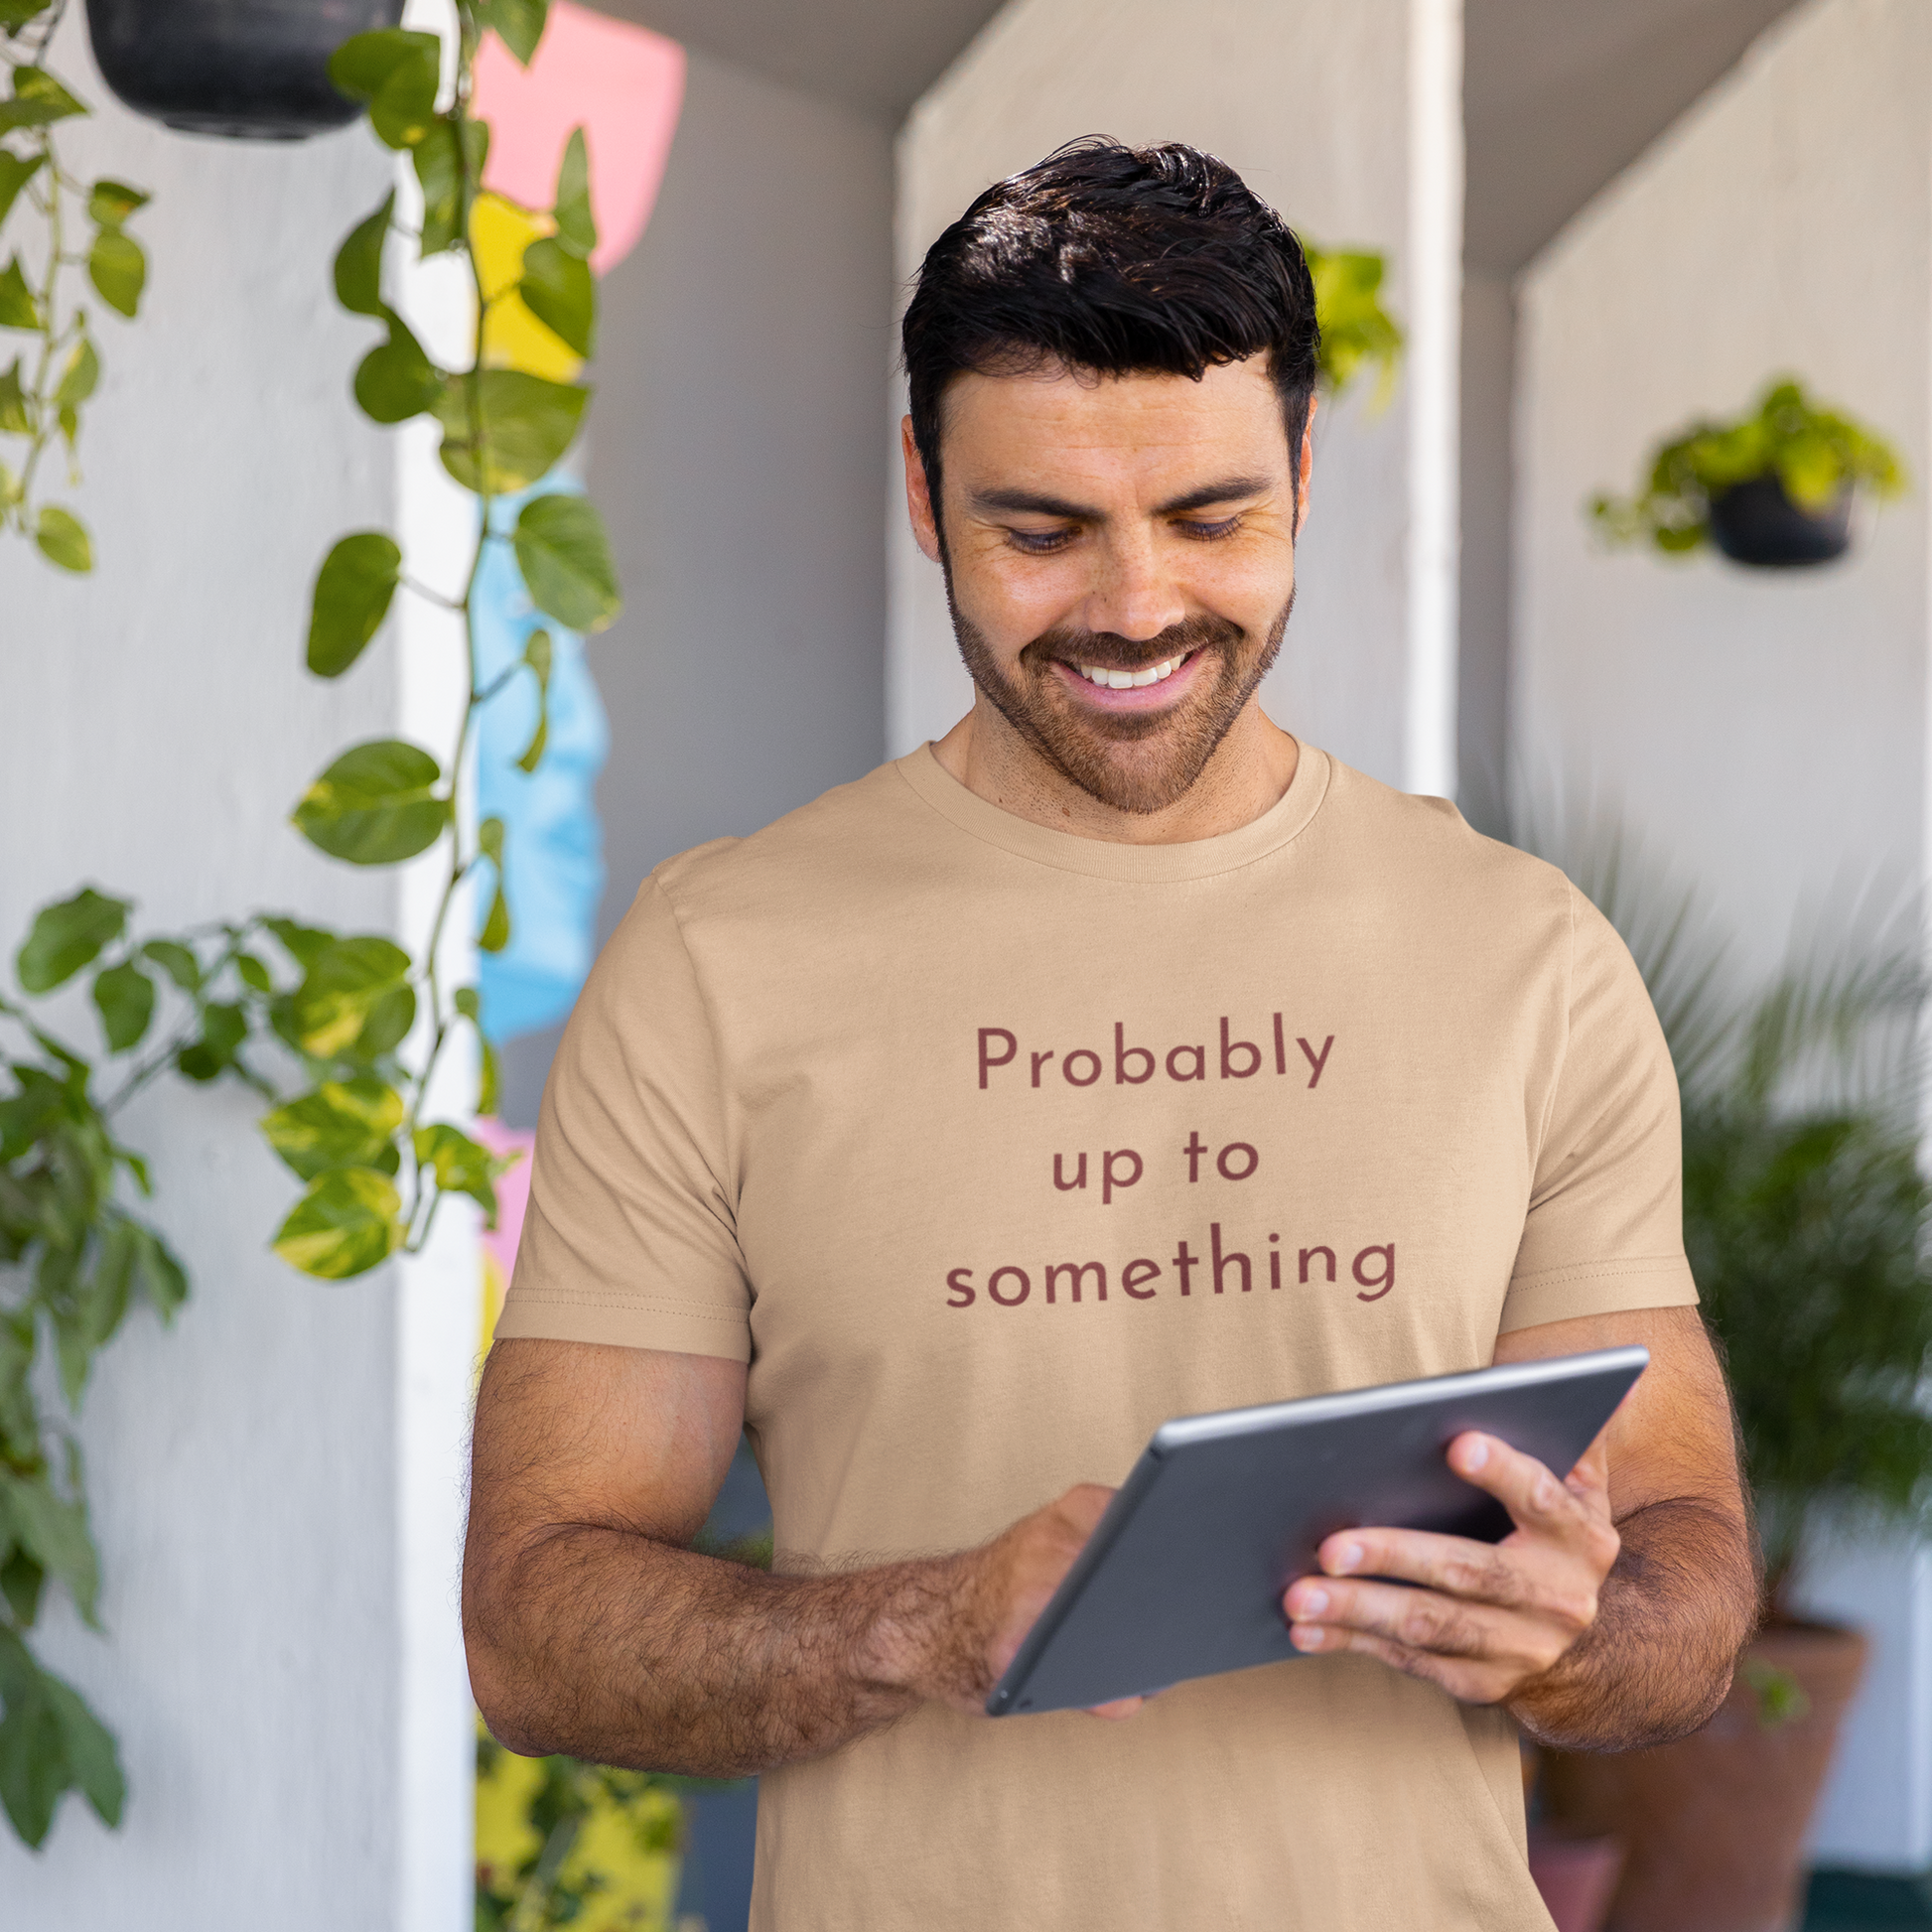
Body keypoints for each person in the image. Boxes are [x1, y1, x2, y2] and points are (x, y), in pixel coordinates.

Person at [464, 139, 1755, 1931]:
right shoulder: (715, 960)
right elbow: (535, 1628)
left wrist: (1567, 1636)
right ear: (924, 495)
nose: (1136, 607)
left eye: (1211, 517)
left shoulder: (1523, 953)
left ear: (1303, 476)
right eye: (1040, 529)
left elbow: (1684, 1577)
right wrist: (927, 1622)